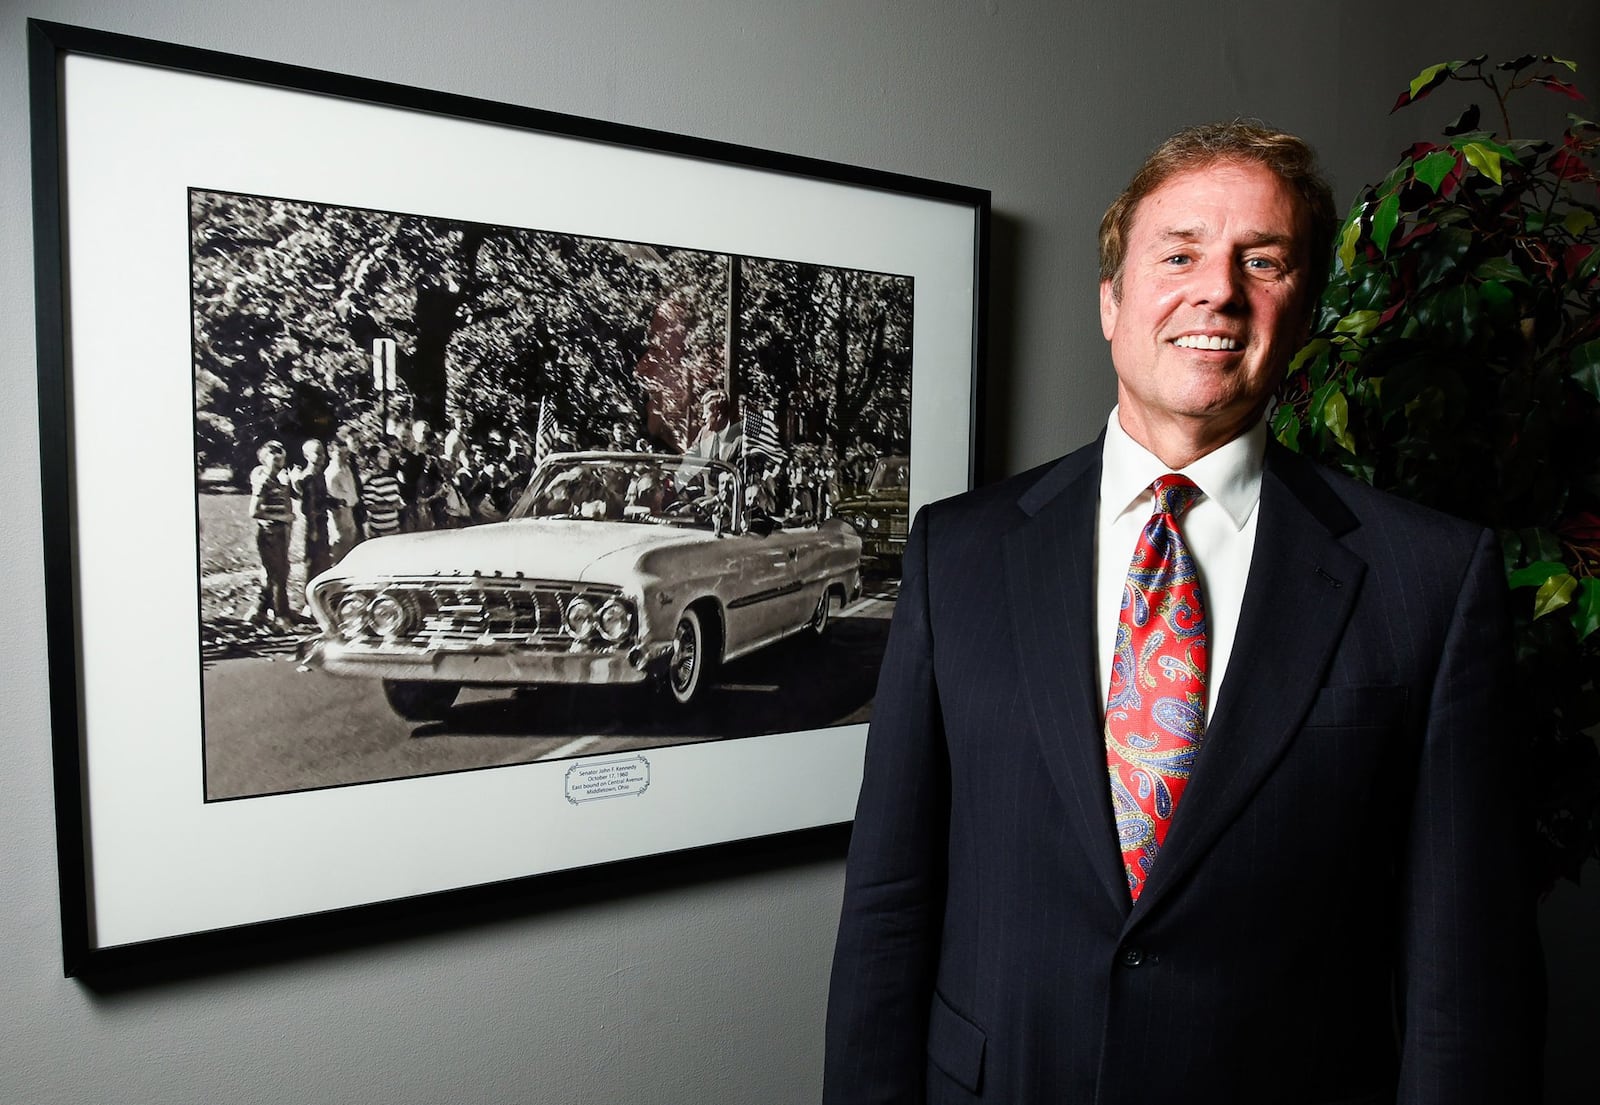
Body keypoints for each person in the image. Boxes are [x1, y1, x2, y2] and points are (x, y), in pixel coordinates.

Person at [823, 121, 1539, 1104]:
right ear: (1111, 301)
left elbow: (1461, 962)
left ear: (1303, 308)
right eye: (1180, 253)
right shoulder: (960, 553)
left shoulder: (1430, 577)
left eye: (1262, 259)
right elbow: (888, 905)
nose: (1218, 289)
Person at [246, 439, 294, 630]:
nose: (278, 462)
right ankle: (280, 618)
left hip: (280, 532)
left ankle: (258, 612)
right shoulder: (264, 480)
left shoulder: (278, 480)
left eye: (281, 459)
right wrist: (282, 517)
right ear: (264, 460)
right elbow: (254, 511)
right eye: (274, 459)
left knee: (277, 572)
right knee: (278, 575)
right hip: (270, 533)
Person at [291, 438, 333, 580]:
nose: (322, 456)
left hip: (322, 522)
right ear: (307, 456)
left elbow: (322, 499)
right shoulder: (309, 477)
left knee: (324, 559)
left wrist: (334, 502)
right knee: (314, 561)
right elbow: (310, 507)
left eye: (323, 453)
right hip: (314, 525)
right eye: (317, 453)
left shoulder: (319, 475)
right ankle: (310, 596)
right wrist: (313, 530)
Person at [687, 389, 744, 462]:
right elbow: (691, 454)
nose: (703, 417)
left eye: (707, 413)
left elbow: (740, 469)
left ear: (719, 414)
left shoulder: (738, 439)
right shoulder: (704, 432)